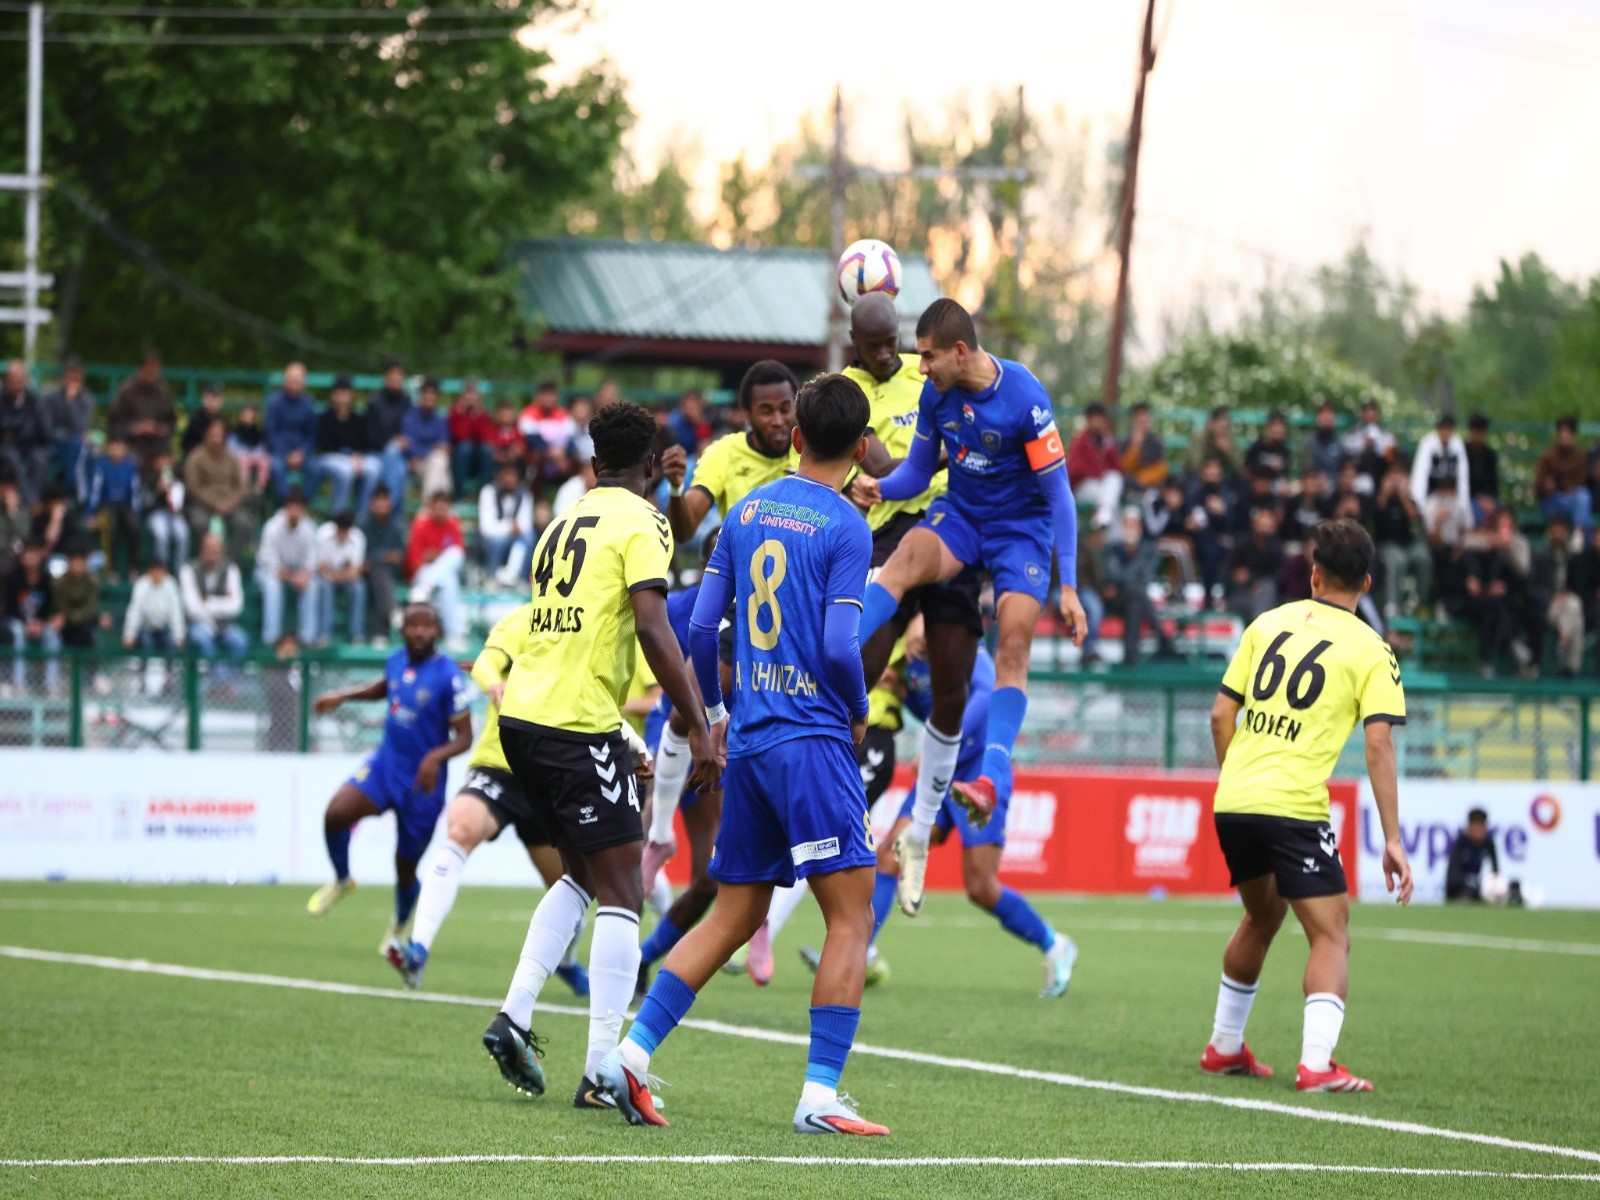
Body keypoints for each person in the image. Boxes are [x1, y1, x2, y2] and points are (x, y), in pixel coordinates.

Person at [595, 373, 883, 1136]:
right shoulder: (849, 529)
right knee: (851, 915)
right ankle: (820, 1094)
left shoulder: (747, 510)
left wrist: (713, 719)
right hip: (813, 740)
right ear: (860, 450)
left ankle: (629, 1052)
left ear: (794, 437)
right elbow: (836, 645)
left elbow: (697, 632)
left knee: (733, 911)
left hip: (749, 740)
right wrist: (856, 710)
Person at [482, 400, 717, 1108]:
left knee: (585, 877)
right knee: (624, 892)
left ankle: (515, 1015)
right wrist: (698, 721)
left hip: (525, 717)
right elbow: (652, 623)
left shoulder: (564, 519)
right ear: (650, 466)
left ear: (594, 465)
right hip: (575, 724)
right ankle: (601, 1071)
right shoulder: (642, 520)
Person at [851, 300, 1086, 910]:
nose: (917, 364)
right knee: (902, 561)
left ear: (959, 351)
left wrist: (1069, 584)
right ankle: (838, 647)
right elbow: (917, 475)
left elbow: (1059, 497)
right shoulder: (937, 396)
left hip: (1019, 533)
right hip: (962, 516)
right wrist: (881, 485)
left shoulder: (1026, 399)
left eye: (926, 354)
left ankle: (991, 779)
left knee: (1012, 642)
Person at [1202, 518, 1413, 1092]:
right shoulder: (1373, 650)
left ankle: (1225, 1046)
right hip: (1293, 803)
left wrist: (1239, 779)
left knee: (1262, 914)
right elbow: (1378, 742)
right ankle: (1317, 1065)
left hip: (1235, 796)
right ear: (1366, 584)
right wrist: (1393, 838)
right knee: (1331, 933)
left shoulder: (1266, 624)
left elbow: (1221, 715)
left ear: (1314, 573)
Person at [387, 601, 654, 1002]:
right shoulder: (524, 620)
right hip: (503, 759)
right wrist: (494, 683)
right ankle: (418, 948)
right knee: (460, 829)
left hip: (561, 765)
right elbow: (485, 664)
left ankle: (564, 962)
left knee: (579, 883)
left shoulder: (607, 623)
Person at [805, 615, 1076, 998]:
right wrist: (896, 688)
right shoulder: (904, 658)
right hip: (939, 773)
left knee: (980, 886)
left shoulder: (960, 642)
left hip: (978, 771)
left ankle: (1054, 943)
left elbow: (986, 693)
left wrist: (940, 742)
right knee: (888, 855)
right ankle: (858, 951)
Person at [306, 602, 473, 956]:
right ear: (403, 630)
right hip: (386, 766)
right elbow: (384, 687)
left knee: (404, 867)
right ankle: (342, 879)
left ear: (438, 631)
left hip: (422, 787)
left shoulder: (448, 676)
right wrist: (342, 695)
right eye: (412, 624)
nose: (419, 631)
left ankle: (398, 923)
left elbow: (464, 737)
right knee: (336, 813)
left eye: (426, 625)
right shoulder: (396, 661)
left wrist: (433, 756)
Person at [663, 360, 797, 543]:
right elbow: (683, 532)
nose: (778, 420)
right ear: (747, 413)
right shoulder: (723, 453)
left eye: (785, 409)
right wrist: (676, 489)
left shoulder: (813, 449)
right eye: (767, 411)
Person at [1103, 507, 1175, 667]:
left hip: (1134, 598)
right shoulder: (1113, 550)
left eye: (1133, 525)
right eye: (1127, 524)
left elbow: (1145, 579)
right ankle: (1163, 637)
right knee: (1136, 593)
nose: (1130, 529)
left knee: (1135, 605)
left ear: (1140, 528)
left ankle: (1131, 657)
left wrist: (1125, 580)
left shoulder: (1147, 549)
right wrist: (1130, 577)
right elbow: (1113, 577)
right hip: (1116, 601)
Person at [256, 488, 319, 645]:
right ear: (285, 508)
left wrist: (303, 576)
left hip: (297, 573)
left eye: (299, 507)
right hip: (269, 572)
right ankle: (271, 638)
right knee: (272, 586)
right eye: (292, 507)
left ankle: (307, 638)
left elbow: (312, 560)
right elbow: (268, 562)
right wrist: (292, 577)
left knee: (312, 585)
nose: (296, 511)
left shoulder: (309, 528)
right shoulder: (272, 527)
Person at [183, 417, 253, 556]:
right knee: (199, 523)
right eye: (213, 435)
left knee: (244, 523)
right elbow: (192, 486)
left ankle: (229, 563)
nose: (216, 440)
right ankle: (204, 561)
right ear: (206, 436)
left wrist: (230, 503)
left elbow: (241, 486)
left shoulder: (232, 458)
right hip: (203, 505)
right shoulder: (196, 457)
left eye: (220, 436)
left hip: (230, 505)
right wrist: (215, 504)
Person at [313, 375, 380, 519]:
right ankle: (337, 518)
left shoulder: (357, 419)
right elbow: (324, 446)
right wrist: (350, 457)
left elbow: (364, 444)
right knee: (346, 472)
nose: (343, 398)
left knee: (374, 468)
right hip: (329, 458)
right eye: (339, 394)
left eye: (346, 394)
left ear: (351, 396)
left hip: (354, 458)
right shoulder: (325, 418)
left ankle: (361, 517)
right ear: (333, 396)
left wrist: (358, 455)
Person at [405, 491, 466, 644]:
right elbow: (414, 561)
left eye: (443, 508)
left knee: (452, 568)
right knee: (449, 577)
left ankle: (452, 634)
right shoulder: (420, 524)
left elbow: (458, 555)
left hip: (437, 575)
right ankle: (454, 634)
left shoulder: (452, 523)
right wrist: (428, 558)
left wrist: (436, 556)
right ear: (430, 508)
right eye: (437, 508)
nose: (440, 512)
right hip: (421, 572)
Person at [180, 532, 248, 664]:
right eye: (209, 549)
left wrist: (208, 602)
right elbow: (192, 609)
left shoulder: (231, 569)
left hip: (224, 625)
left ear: (221, 551)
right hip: (198, 624)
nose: (212, 554)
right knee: (201, 638)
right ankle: (215, 683)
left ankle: (227, 682)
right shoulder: (188, 570)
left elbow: (236, 606)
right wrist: (223, 602)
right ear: (202, 550)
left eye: (216, 550)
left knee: (240, 640)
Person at [108, 352, 176, 483]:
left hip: (158, 445)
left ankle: (166, 496)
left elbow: (170, 423)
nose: (152, 374)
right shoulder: (126, 392)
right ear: (141, 370)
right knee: (131, 461)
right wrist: (135, 429)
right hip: (131, 444)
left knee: (167, 466)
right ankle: (135, 497)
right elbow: (114, 425)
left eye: (155, 370)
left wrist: (158, 429)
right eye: (149, 370)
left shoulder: (163, 393)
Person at [1372, 462, 1429, 617]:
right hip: (1386, 545)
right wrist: (1385, 493)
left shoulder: (1409, 500)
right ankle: (1393, 605)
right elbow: (1375, 519)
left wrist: (1403, 496)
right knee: (1398, 560)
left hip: (1408, 545)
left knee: (1424, 557)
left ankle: (1421, 603)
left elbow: (1414, 520)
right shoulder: (1379, 498)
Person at [5, 541, 63, 692]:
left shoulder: (46, 580)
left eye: (34, 553)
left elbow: (49, 607)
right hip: (16, 622)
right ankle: (19, 684)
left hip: (39, 624)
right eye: (27, 553)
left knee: (52, 634)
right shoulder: (12, 578)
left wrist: (41, 622)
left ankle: (51, 686)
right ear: (22, 556)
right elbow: (9, 608)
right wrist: (26, 623)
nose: (31, 558)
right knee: (17, 631)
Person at [86, 434, 142, 579]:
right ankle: (111, 571)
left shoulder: (130, 467)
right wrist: (91, 513)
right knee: (110, 528)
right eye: (113, 447)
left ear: (125, 449)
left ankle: (133, 568)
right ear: (108, 448)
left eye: (120, 447)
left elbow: (135, 491)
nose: (116, 450)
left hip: (125, 505)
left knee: (134, 528)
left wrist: (136, 512)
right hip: (107, 505)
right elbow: (95, 491)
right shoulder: (101, 466)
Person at [264, 362, 318, 501]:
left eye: (298, 380)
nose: (294, 383)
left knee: (316, 470)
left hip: (302, 452)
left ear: (303, 382)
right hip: (280, 451)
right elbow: (271, 433)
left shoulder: (308, 403)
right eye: (291, 380)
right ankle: (286, 505)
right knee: (276, 468)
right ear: (285, 381)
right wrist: (285, 453)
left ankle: (302, 504)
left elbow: (312, 434)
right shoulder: (274, 403)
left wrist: (302, 452)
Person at [1409, 414, 1471, 533]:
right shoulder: (1428, 444)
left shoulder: (1457, 445)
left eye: (1449, 429)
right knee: (1432, 517)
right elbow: (1420, 476)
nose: (1446, 433)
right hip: (1431, 498)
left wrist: (1464, 506)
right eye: (1443, 429)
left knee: (1460, 514)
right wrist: (1419, 504)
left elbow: (1463, 480)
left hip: (1452, 498)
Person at [41, 357, 96, 492]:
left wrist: (70, 403)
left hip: (75, 442)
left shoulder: (87, 399)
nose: (72, 380)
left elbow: (81, 427)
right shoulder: (50, 396)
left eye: (77, 377)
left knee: (81, 449)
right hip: (53, 442)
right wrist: (61, 435)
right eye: (70, 375)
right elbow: (46, 425)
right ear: (64, 376)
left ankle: (72, 491)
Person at [313, 511, 367, 646]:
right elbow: (319, 566)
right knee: (324, 587)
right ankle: (324, 634)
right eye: (341, 531)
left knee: (359, 588)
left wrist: (338, 576)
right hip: (326, 576)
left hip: (344, 577)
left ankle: (356, 634)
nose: (343, 535)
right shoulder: (323, 534)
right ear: (335, 527)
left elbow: (355, 571)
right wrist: (334, 575)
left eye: (346, 531)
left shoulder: (358, 537)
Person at [1066, 401, 1122, 529]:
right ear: (1088, 420)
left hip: (1103, 488)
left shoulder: (1107, 440)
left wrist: (1109, 446)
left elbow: (1117, 467)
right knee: (1110, 499)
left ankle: (1103, 517)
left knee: (1115, 479)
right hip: (1083, 488)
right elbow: (1074, 471)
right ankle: (1104, 516)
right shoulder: (1080, 441)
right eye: (1094, 418)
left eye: (1100, 419)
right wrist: (1097, 473)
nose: (1097, 422)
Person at [478, 461, 535, 585]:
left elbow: (526, 525)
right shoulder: (488, 492)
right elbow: (487, 528)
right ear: (499, 476)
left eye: (513, 476)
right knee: (497, 540)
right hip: (493, 539)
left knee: (529, 537)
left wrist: (516, 528)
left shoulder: (524, 494)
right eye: (507, 475)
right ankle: (491, 578)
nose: (510, 479)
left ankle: (516, 578)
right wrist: (509, 527)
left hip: (516, 538)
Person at [361, 485, 406, 642]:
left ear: (390, 504)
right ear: (371, 503)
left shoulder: (395, 527)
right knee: (378, 574)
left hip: (390, 574)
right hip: (365, 574)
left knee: (381, 577)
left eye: (385, 500)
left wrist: (379, 558)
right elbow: (363, 559)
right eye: (378, 500)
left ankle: (379, 634)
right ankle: (392, 611)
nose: (381, 504)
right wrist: (384, 556)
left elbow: (399, 556)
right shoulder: (363, 525)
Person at [0, 360, 48, 506]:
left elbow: (39, 426)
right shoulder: (2, 397)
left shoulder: (32, 399)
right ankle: (30, 501)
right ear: (8, 379)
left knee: (40, 459)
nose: (18, 381)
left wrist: (18, 428)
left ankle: (31, 499)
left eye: (21, 377)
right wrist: (19, 426)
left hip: (28, 443)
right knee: (14, 460)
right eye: (14, 378)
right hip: (6, 444)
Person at [1535, 416, 1592, 538]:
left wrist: (1568, 489)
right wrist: (1547, 486)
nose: (1564, 436)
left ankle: (1579, 535)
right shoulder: (1548, 456)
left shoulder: (1580, 457)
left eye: (1568, 432)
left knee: (1583, 497)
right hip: (1552, 500)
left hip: (1573, 501)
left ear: (1573, 434)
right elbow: (1538, 486)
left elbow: (1581, 482)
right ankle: (1581, 539)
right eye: (1562, 432)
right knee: (1583, 510)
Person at [368, 359, 414, 502]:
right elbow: (370, 436)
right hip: (376, 451)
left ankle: (393, 514)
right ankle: (389, 507)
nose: (396, 378)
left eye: (399, 374)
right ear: (386, 377)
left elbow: (410, 431)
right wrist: (391, 440)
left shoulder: (406, 400)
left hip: (399, 454)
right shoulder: (375, 401)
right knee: (392, 454)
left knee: (400, 471)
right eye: (393, 374)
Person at [402, 378, 453, 501]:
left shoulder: (440, 419)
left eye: (433, 394)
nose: (429, 397)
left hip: (432, 462)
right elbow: (408, 445)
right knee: (441, 467)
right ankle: (440, 509)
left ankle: (427, 510)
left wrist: (426, 450)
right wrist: (431, 448)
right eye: (426, 393)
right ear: (421, 395)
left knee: (439, 461)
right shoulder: (410, 416)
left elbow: (444, 447)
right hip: (414, 464)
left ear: (437, 397)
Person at [122, 557, 185, 654]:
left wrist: (179, 636)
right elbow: (135, 611)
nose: (158, 574)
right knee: (147, 646)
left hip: (164, 629)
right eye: (155, 571)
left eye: (161, 571)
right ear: (149, 572)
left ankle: (170, 669)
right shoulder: (141, 585)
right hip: (146, 629)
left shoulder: (170, 585)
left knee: (170, 646)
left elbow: (175, 612)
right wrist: (129, 635)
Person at [448, 378, 496, 496]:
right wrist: (465, 414)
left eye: (473, 393)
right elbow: (459, 435)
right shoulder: (455, 412)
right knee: (465, 447)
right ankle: (459, 494)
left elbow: (485, 437)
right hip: (459, 458)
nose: (470, 397)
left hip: (477, 458)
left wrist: (477, 415)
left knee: (486, 450)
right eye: (468, 393)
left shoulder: (482, 414)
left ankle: (483, 494)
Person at [143, 453, 189, 573]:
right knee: (162, 535)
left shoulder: (177, 476)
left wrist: (174, 497)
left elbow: (183, 502)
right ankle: (163, 569)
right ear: (155, 462)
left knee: (182, 534)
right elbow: (145, 504)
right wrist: (158, 491)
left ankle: (180, 571)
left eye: (167, 459)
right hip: (156, 514)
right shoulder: (149, 477)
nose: (164, 463)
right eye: (161, 459)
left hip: (174, 514)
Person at [1444, 809, 1499, 902]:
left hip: (1483, 892)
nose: (1477, 830)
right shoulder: (1460, 844)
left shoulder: (1488, 844)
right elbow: (1453, 879)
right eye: (1474, 825)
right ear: (1469, 826)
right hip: (1461, 892)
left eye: (1480, 826)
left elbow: (1495, 871)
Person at [55, 546, 103, 650]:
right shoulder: (60, 583)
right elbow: (61, 606)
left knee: (87, 628)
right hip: (66, 624)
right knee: (58, 623)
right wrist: (69, 618)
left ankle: (90, 664)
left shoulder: (92, 583)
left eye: (80, 562)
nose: (77, 566)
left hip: (85, 622)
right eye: (74, 562)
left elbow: (90, 608)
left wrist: (75, 618)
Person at [1119, 400, 1167, 491]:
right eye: (1139, 416)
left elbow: (1160, 468)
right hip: (1129, 483)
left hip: (1149, 483)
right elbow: (1123, 468)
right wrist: (1135, 446)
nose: (1143, 419)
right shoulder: (1125, 440)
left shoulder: (1156, 440)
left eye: (1145, 415)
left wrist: (1141, 479)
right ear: (1133, 419)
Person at [228, 404, 271, 496]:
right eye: (246, 415)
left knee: (265, 461)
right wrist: (245, 455)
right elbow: (231, 448)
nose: (248, 418)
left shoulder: (258, 433)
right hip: (240, 457)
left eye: (251, 416)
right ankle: (244, 488)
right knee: (243, 461)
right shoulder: (235, 432)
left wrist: (254, 456)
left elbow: (261, 448)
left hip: (255, 457)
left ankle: (259, 488)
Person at [1244, 411, 1292, 493]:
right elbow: (1247, 471)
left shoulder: (1284, 450)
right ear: (1268, 427)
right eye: (1275, 425)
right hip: (1255, 491)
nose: (1278, 429)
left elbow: (1285, 475)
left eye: (1281, 425)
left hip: (1275, 493)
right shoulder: (1256, 447)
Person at [179, 383, 227, 462]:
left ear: (221, 401)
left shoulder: (224, 421)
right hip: (200, 462)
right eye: (210, 397)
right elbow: (186, 446)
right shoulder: (196, 421)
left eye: (215, 397)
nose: (212, 401)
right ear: (204, 399)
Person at [1464, 413, 1499, 521]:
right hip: (1469, 497)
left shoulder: (1489, 455)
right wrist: (1478, 498)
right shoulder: (1462, 452)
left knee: (1502, 513)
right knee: (1475, 513)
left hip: (1488, 498)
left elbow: (1493, 482)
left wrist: (1490, 499)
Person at [1299, 403, 1345, 480]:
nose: (1326, 418)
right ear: (1317, 419)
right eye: (1323, 415)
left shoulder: (1340, 443)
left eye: (1329, 415)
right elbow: (1305, 470)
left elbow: (1345, 469)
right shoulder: (1309, 443)